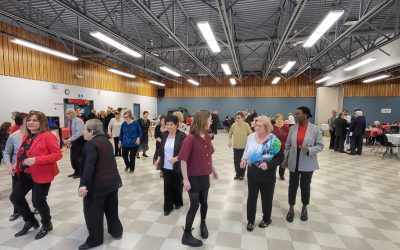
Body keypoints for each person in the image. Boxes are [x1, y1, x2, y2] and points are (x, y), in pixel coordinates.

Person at [10, 111, 62, 240]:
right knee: (15, 198)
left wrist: (36, 160)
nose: (31, 123)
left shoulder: (47, 136)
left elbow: (57, 154)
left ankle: (46, 223)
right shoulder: (26, 136)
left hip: (42, 174)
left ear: (41, 122)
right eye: (29, 120)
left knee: (38, 201)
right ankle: (30, 220)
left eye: (34, 120)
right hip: (26, 174)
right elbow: (23, 153)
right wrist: (15, 164)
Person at [78, 119, 123, 250]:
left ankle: (95, 240)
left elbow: (89, 166)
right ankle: (116, 231)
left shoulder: (91, 144)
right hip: (112, 183)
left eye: (84, 129)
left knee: (92, 212)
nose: (83, 132)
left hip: (97, 186)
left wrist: (83, 185)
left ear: (91, 131)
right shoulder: (106, 141)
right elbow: (111, 162)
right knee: (111, 209)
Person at [178, 110, 218, 247]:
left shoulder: (206, 135)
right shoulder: (190, 138)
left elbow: (209, 155)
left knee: (204, 202)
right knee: (194, 204)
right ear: (203, 120)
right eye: (210, 119)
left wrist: (214, 170)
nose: (211, 121)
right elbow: (183, 160)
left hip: (204, 176)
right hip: (193, 177)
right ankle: (187, 234)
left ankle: (203, 222)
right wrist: (185, 180)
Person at [240, 116, 283, 232]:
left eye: (260, 126)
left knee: (267, 199)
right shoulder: (250, 137)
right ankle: (250, 221)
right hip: (252, 173)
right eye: (256, 125)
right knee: (251, 198)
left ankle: (267, 219)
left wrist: (268, 165)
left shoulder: (274, 141)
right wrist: (244, 159)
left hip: (267, 175)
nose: (257, 127)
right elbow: (247, 150)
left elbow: (280, 158)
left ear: (267, 127)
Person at [284, 106, 324, 223]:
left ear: (305, 115)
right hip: (293, 161)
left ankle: (304, 207)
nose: (295, 116)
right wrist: (285, 159)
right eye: (295, 114)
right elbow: (287, 145)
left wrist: (310, 150)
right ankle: (291, 208)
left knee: (305, 186)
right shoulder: (293, 129)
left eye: (298, 114)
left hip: (307, 161)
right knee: (292, 185)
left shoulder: (315, 129)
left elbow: (320, 145)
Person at [154, 115, 187, 216]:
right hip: (166, 166)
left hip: (177, 165)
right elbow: (161, 149)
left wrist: (176, 158)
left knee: (177, 186)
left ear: (176, 125)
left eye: (171, 124)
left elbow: (185, 151)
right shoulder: (164, 135)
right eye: (167, 124)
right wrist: (158, 159)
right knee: (167, 187)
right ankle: (167, 207)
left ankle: (177, 202)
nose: (169, 126)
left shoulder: (182, 136)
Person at [3, 113, 28, 221]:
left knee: (37, 191)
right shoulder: (13, 136)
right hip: (17, 168)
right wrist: (9, 166)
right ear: (21, 122)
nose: (31, 122)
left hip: (32, 167)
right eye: (28, 119)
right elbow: (7, 152)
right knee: (16, 191)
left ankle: (37, 206)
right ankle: (17, 210)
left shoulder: (34, 135)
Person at [228, 111, 252, 180]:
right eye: (236, 118)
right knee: (236, 161)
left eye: (238, 118)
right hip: (236, 147)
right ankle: (237, 173)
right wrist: (229, 141)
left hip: (244, 148)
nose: (237, 119)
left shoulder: (246, 125)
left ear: (242, 118)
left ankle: (242, 174)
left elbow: (251, 134)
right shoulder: (233, 125)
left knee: (243, 161)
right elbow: (229, 134)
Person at [63, 108, 85, 178]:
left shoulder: (79, 121)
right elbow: (71, 132)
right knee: (72, 157)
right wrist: (69, 141)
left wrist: (69, 139)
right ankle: (76, 171)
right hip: (74, 140)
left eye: (67, 113)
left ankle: (80, 172)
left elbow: (79, 133)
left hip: (80, 141)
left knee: (77, 157)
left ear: (72, 113)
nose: (66, 115)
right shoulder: (70, 121)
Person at [272, 114, 290, 180]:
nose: (279, 120)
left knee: (283, 162)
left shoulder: (286, 127)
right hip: (274, 148)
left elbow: (289, 137)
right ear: (275, 120)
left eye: (280, 119)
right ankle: (272, 174)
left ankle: (281, 175)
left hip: (283, 147)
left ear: (282, 120)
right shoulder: (272, 127)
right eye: (277, 119)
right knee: (273, 162)